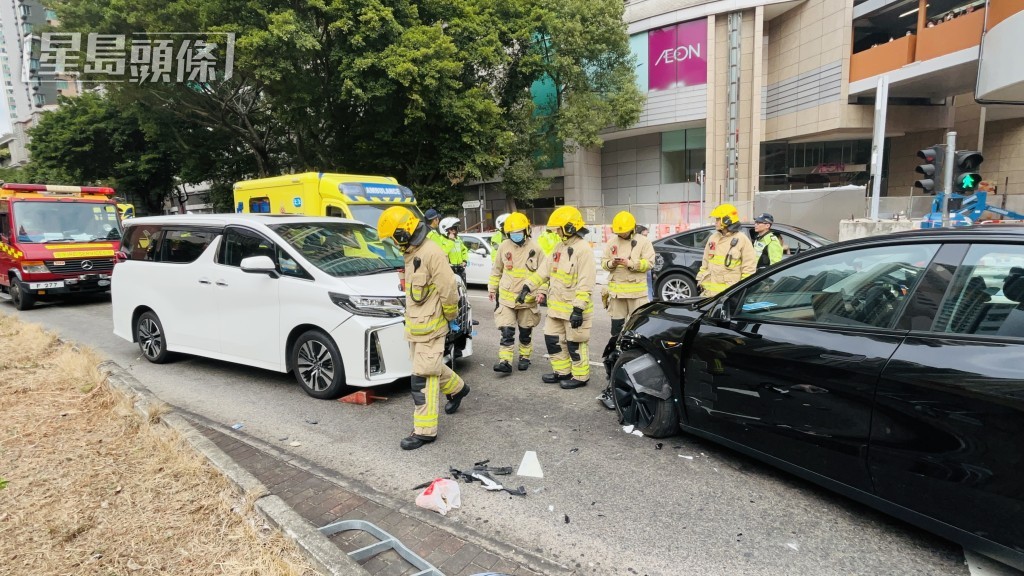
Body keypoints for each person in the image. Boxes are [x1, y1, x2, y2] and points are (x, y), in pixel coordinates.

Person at [376, 206, 470, 450]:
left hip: (431, 327)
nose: (394, 243)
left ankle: (425, 431)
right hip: (417, 327)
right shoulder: (412, 253)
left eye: (394, 238)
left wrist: (451, 318)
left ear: (404, 233)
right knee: (429, 366)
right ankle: (458, 389)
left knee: (422, 378)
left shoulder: (431, 252)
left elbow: (449, 291)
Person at [520, 206, 595, 389]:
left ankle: (580, 377)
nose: (556, 232)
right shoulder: (559, 247)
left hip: (573, 309)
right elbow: (543, 272)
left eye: (558, 228)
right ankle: (562, 371)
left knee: (575, 344)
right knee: (552, 340)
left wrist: (578, 309)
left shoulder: (583, 250)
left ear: (569, 227)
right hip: (556, 309)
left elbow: (586, 282)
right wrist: (527, 286)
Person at [597, 211, 655, 409]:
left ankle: (639, 370)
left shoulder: (643, 242)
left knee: (638, 333)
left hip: (637, 296)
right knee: (616, 333)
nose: (621, 235)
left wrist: (632, 263)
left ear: (632, 228)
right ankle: (615, 369)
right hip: (617, 296)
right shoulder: (612, 242)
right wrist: (611, 263)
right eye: (618, 233)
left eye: (624, 233)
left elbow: (650, 263)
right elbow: (604, 263)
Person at [488, 212, 544, 373]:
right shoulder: (504, 246)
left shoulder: (536, 248)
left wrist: (542, 292)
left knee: (525, 331)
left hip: (527, 299)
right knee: (506, 330)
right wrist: (492, 288)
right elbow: (497, 269)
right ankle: (505, 361)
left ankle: (525, 357)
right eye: (512, 233)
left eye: (519, 232)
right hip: (506, 298)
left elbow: (543, 273)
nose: (516, 236)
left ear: (526, 231)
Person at [696, 203, 756, 297]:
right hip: (708, 294)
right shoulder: (713, 238)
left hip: (729, 295)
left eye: (718, 219)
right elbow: (705, 262)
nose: (715, 222)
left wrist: (742, 289)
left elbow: (749, 268)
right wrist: (700, 279)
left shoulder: (742, 239)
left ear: (726, 220)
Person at [438, 216, 469, 284]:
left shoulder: (457, 239)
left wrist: (464, 261)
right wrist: (451, 241)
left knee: (463, 291)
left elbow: (464, 250)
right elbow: (443, 252)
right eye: (452, 229)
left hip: (460, 268)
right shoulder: (440, 240)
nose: (455, 231)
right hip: (448, 270)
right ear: (445, 230)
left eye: (455, 229)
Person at [636, 225, 654, 300]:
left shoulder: (646, 243)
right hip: (640, 270)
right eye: (644, 235)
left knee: (648, 287)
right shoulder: (637, 243)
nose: (646, 237)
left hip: (646, 268)